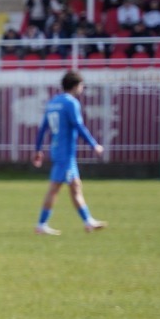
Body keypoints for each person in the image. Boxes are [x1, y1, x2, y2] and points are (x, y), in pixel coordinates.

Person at [31, 71, 107, 235]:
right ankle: (41, 224)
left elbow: (43, 128)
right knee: (55, 188)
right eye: (81, 85)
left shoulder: (52, 102)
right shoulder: (71, 103)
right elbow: (79, 126)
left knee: (75, 187)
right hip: (65, 153)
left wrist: (38, 150)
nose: (82, 88)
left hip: (59, 150)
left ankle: (88, 221)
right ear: (75, 85)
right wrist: (94, 144)